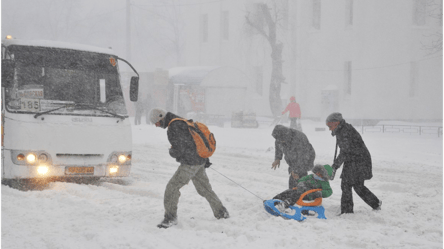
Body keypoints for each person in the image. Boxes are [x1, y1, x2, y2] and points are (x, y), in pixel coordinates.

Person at [150, 108, 229, 228]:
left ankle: (170, 218)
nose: (156, 126)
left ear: (161, 117)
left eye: (156, 122)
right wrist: (204, 159)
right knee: (204, 189)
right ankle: (221, 212)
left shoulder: (174, 126)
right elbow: (195, 142)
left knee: (172, 187)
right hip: (199, 162)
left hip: (190, 164)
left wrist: (172, 152)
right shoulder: (182, 121)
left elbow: (182, 147)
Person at [325, 112, 382, 215]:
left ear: (336, 123)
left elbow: (345, 152)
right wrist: (335, 166)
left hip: (358, 160)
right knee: (357, 186)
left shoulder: (344, 132)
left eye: (330, 126)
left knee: (346, 184)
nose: (329, 129)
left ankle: (347, 211)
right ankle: (375, 203)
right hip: (356, 159)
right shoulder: (342, 130)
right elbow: (346, 151)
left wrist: (335, 166)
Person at [271, 125, 316, 189]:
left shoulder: (298, 138)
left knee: (300, 178)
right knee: (293, 181)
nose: (280, 141)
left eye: (281, 140)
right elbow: (278, 146)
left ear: (285, 136)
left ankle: (302, 194)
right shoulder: (280, 137)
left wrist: (296, 171)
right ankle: (294, 193)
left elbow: (301, 157)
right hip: (294, 160)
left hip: (306, 158)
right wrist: (277, 158)